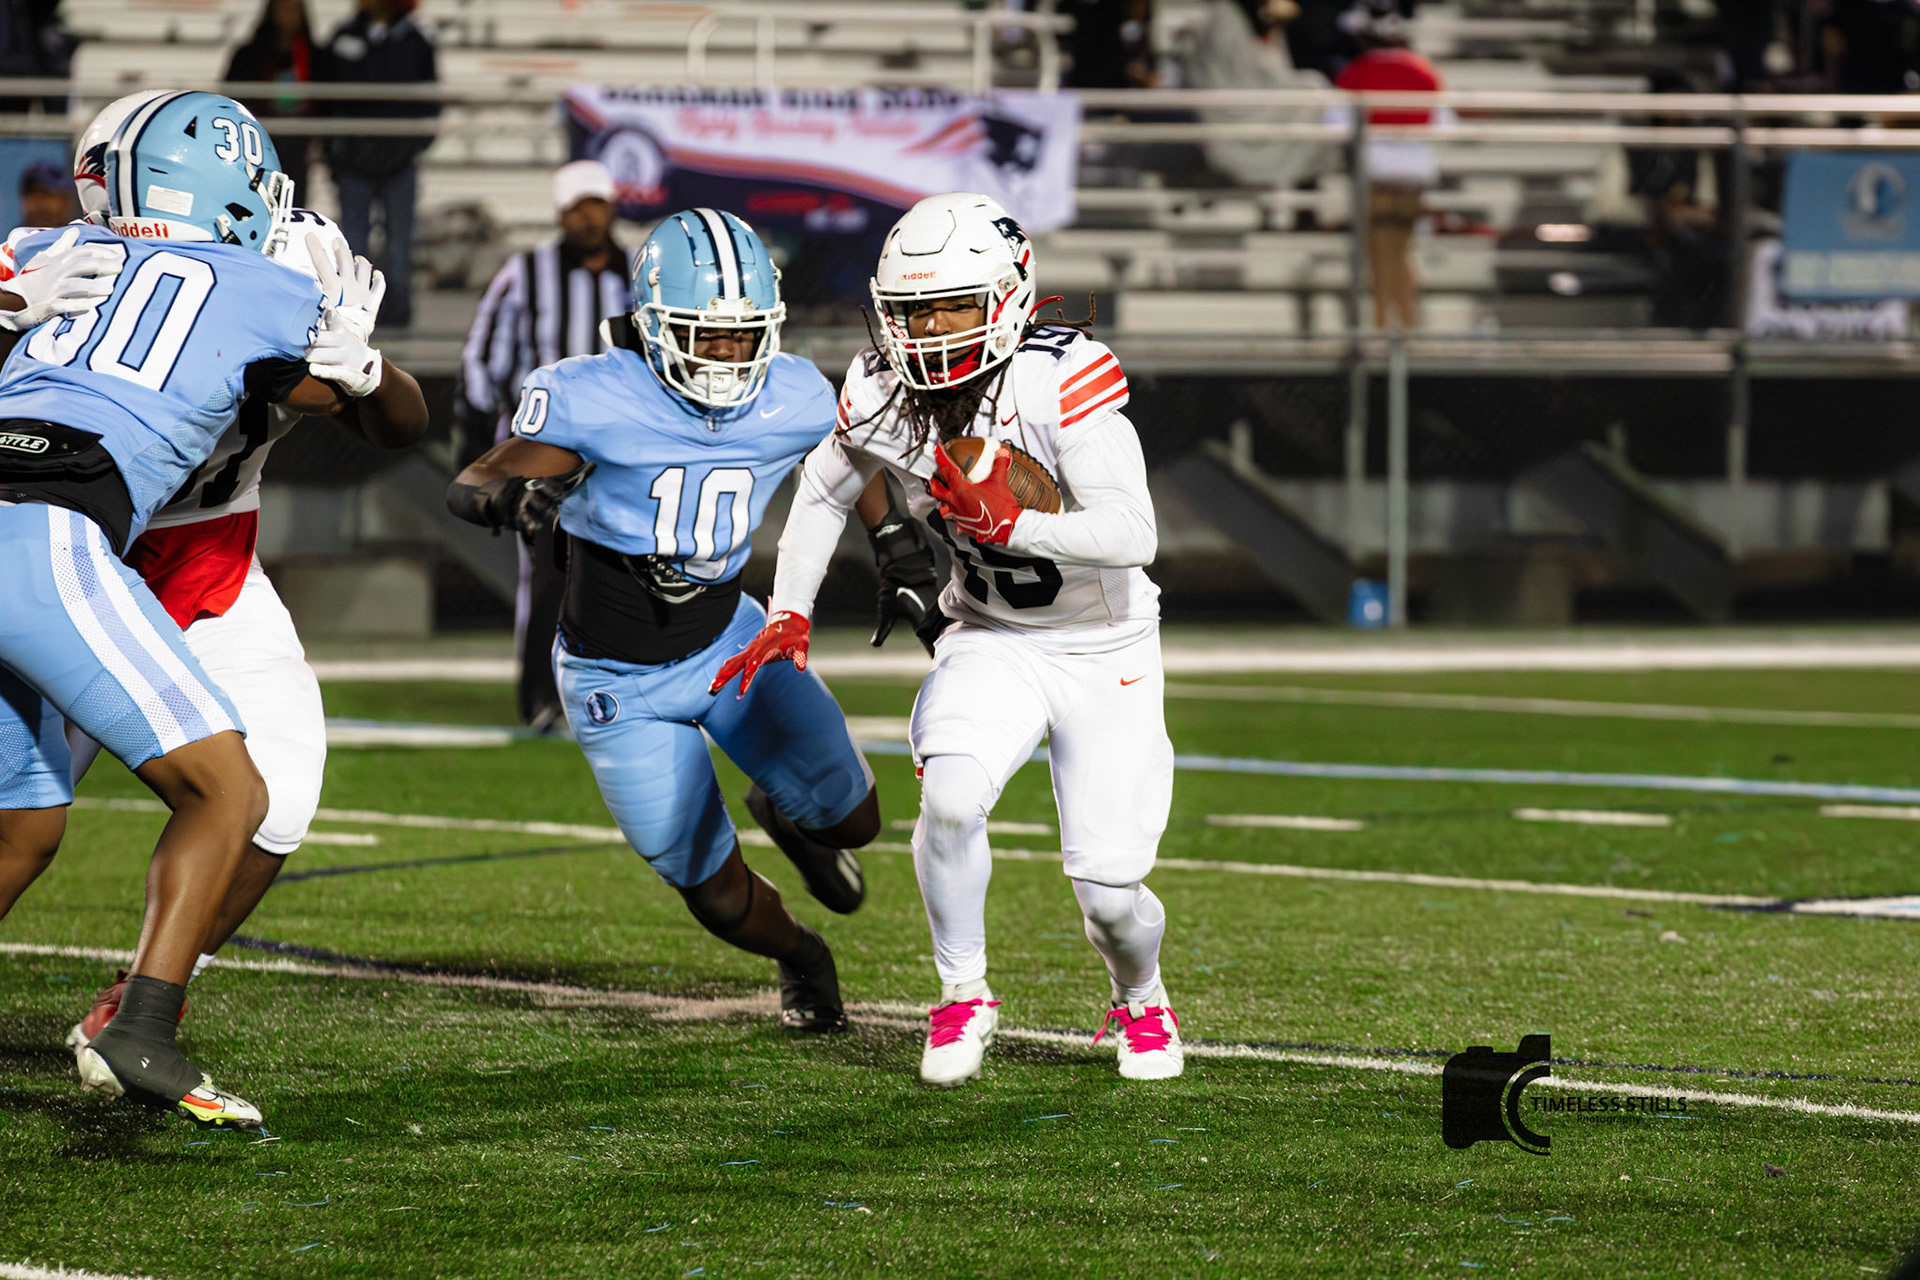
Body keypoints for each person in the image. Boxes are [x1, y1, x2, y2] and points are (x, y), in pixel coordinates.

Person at [712, 193, 1184, 1087]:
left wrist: (1016, 525)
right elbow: (826, 487)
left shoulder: (1059, 378)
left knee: (1112, 900)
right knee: (954, 799)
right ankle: (963, 992)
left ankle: (1142, 996)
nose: (928, 331)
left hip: (1105, 644)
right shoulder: (884, 389)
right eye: (913, 310)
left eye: (952, 306)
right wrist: (788, 608)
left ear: (1006, 298)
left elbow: (1135, 532)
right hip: (991, 630)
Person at [447, 208, 920, 1033]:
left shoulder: (794, 393)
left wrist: (893, 537)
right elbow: (480, 476)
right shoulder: (595, 395)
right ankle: (804, 955)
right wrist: (507, 500)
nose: (728, 356)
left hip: (729, 641)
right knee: (715, 892)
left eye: (744, 335)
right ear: (654, 325)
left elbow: (848, 460)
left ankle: (782, 808)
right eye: (708, 335)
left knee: (855, 819)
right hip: (616, 682)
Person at [0, 91, 338, 1130]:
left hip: (189, 550)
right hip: (65, 534)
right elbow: (384, 412)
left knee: (25, 823)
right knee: (224, 791)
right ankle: (142, 1023)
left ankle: (140, 1006)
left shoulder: (50, 250)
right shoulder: (272, 277)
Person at [50, 216, 428, 1054]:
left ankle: (144, 1003)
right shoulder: (82, 262)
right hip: (68, 544)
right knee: (23, 813)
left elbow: (400, 426)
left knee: (277, 797)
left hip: (207, 558)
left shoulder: (293, 249)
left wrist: (366, 368)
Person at [460, 159, 638, 731]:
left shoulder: (640, 273)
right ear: (561, 214)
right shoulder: (526, 271)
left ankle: (618, 692)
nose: (588, 217)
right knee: (547, 573)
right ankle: (540, 695)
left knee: (631, 568)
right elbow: (481, 356)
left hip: (625, 446)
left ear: (611, 207)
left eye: (596, 204)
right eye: (576, 207)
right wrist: (490, 439)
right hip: (543, 444)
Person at [319, 0, 437, 329]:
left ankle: (397, 317)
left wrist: (412, 144)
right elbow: (328, 96)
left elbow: (429, 98)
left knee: (399, 244)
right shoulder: (344, 36)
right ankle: (351, 316)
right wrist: (336, 151)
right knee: (353, 242)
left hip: (399, 159)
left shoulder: (415, 39)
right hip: (353, 159)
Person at [1330, 3, 1447, 331]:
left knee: (1382, 255)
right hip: (1414, 173)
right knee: (1399, 252)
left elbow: (1335, 125)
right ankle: (1405, 327)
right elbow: (1444, 123)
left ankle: (1388, 327)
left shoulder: (1355, 73)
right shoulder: (1423, 71)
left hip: (1377, 172)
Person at [225, 0, 320, 201]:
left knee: (292, 201)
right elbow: (232, 95)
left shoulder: (314, 55)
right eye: (284, 8)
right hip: (257, 142)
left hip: (298, 142)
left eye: (294, 9)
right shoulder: (249, 55)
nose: (288, 16)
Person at [16, 157, 70, 227]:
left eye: (45, 194)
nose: (38, 202)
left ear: (65, 201)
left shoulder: (80, 232)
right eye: (32, 195)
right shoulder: (15, 234)